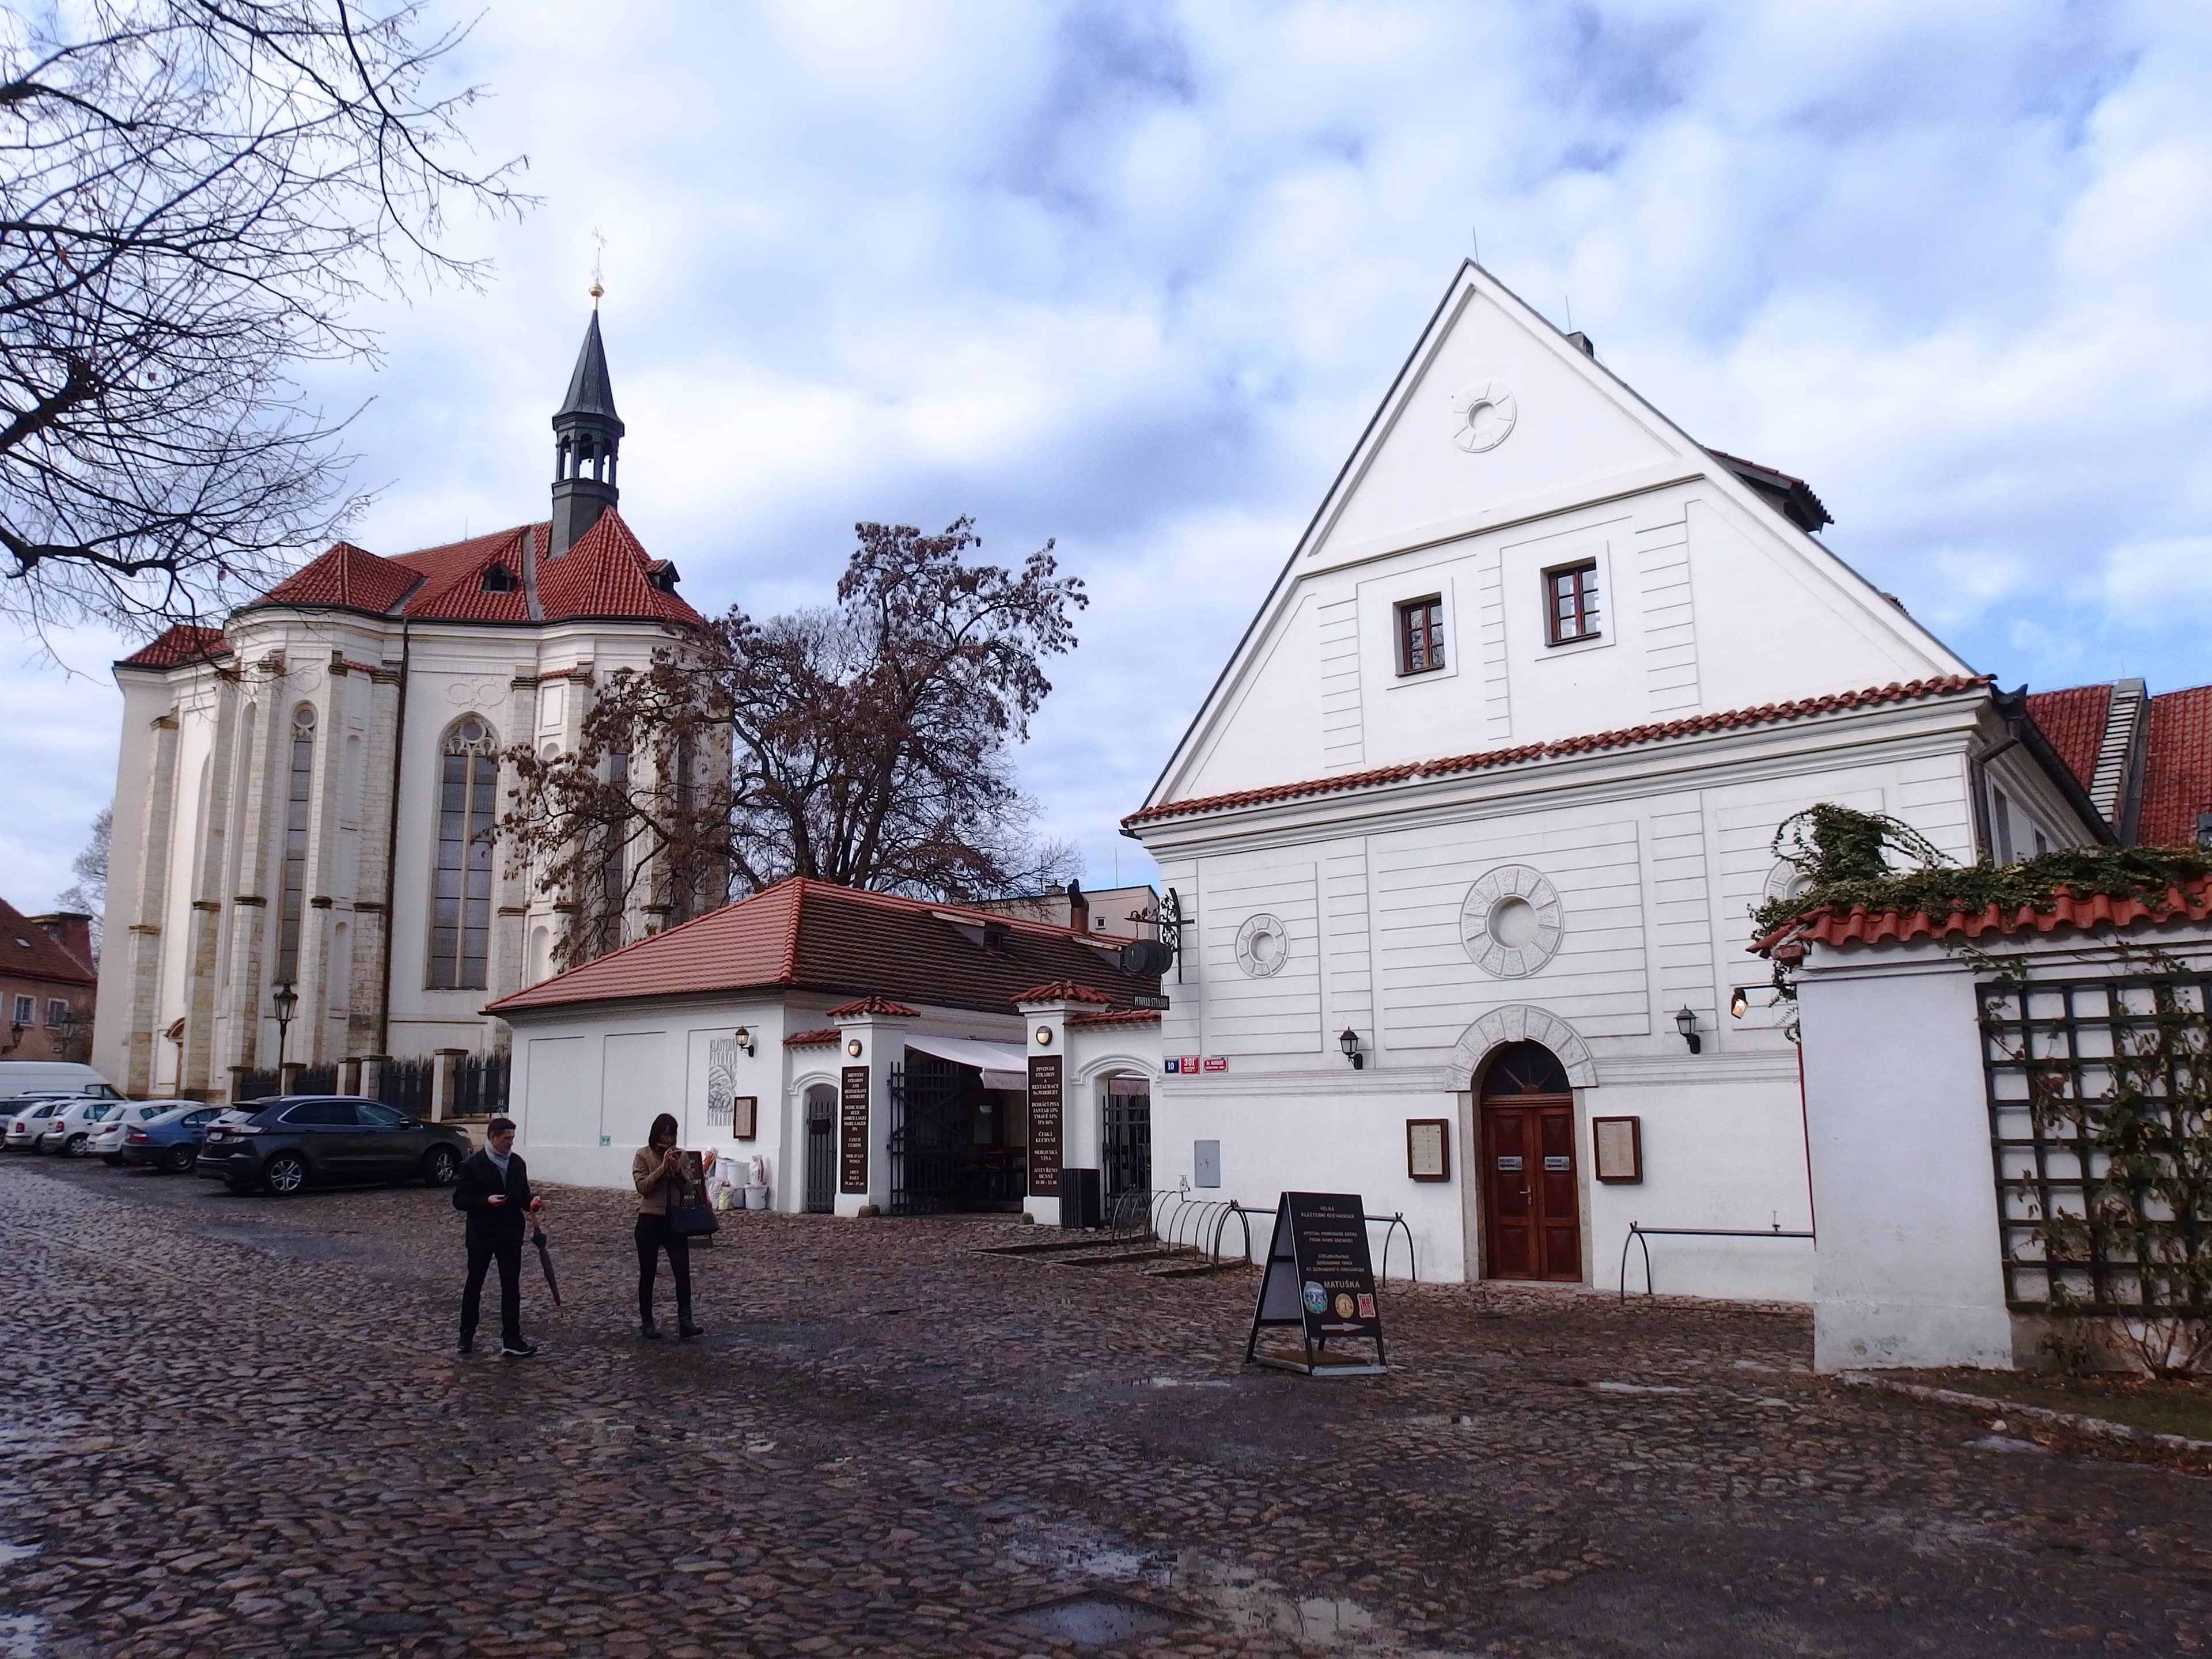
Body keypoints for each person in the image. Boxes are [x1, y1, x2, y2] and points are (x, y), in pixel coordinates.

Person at [454, 1115, 543, 1357]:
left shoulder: (517, 1163)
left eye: (512, 1138)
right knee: (475, 1285)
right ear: (493, 1137)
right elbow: (460, 1200)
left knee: (511, 1287)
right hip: (482, 1234)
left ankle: (512, 1338)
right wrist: (485, 1201)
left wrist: (531, 1202)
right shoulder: (472, 1165)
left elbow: (522, 1195)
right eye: (506, 1138)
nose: (510, 1143)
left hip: (510, 1234)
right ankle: (466, 1334)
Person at [632, 1112, 703, 1341]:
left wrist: (678, 1171)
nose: (669, 1140)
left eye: (672, 1136)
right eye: (665, 1136)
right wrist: (662, 1169)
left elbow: (689, 1189)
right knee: (648, 1272)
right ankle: (647, 1322)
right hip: (650, 1219)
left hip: (674, 1220)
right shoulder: (643, 1155)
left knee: (682, 1270)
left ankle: (686, 1321)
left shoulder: (681, 1156)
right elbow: (643, 1187)